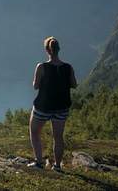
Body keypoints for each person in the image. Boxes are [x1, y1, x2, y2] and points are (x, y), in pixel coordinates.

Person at [28, 36, 77, 171]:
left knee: (34, 132)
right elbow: (74, 85)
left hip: (43, 106)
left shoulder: (41, 67)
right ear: (58, 49)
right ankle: (57, 166)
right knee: (58, 137)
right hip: (61, 107)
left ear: (47, 50)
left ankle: (39, 162)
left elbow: (35, 86)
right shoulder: (68, 67)